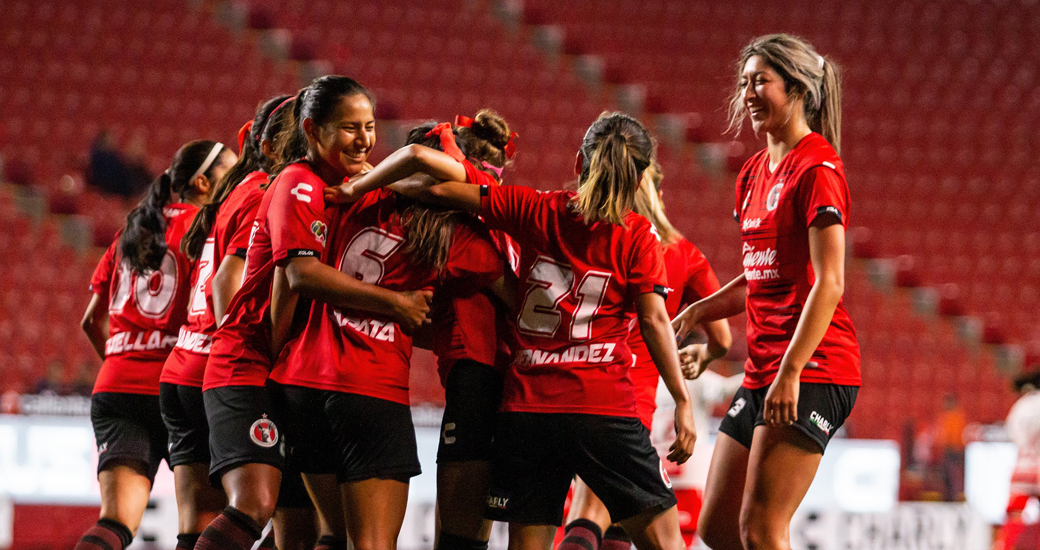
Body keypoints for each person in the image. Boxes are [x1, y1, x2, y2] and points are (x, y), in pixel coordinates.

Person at [328, 111, 696, 550]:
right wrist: (683, 400)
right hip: (600, 406)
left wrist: (369, 184)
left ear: (579, 162)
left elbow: (439, 190)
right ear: (640, 182)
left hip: (527, 407)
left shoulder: (534, 208)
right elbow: (655, 320)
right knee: (663, 541)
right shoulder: (638, 235)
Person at [194, 75, 433, 550]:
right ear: (311, 131)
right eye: (349, 127)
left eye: (369, 126)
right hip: (247, 367)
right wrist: (397, 303)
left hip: (285, 376)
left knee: (314, 533)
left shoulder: (338, 186)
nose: (364, 139)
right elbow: (297, 275)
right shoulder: (296, 183)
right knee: (254, 507)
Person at [269, 115, 510, 550]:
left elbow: (295, 273)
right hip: (372, 387)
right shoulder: (453, 233)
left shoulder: (339, 198)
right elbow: (516, 295)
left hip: (302, 379)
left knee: (330, 533)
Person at [671, 34, 860, 550]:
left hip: (814, 367)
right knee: (716, 528)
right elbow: (762, 274)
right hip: (762, 370)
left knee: (761, 529)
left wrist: (792, 371)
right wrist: (700, 310)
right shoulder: (752, 173)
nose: (749, 92)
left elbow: (831, 281)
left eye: (761, 81)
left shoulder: (818, 167)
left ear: (797, 88)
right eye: (745, 81)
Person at [559, 160, 732, 550]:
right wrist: (702, 357)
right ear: (657, 192)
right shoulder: (682, 253)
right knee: (626, 520)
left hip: (582, 388)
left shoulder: (599, 235)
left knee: (601, 514)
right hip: (634, 405)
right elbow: (721, 337)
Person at [77, 139, 233, 550]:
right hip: (181, 392)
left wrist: (126, 360)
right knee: (199, 525)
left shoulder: (132, 231)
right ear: (202, 183)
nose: (238, 183)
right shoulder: (209, 232)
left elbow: (91, 320)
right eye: (230, 174)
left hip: (117, 387)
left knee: (114, 524)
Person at [160, 96, 292, 550]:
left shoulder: (238, 191)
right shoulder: (262, 193)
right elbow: (226, 285)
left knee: (199, 519)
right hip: (222, 366)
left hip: (185, 363)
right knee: (270, 508)